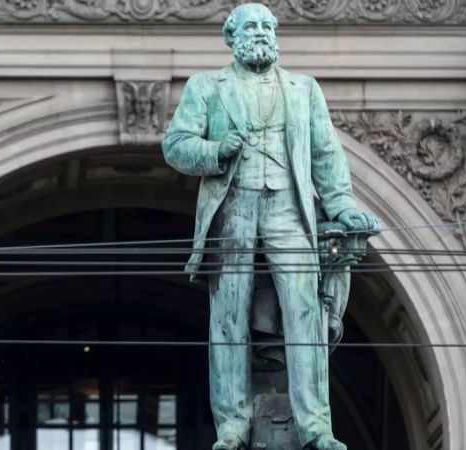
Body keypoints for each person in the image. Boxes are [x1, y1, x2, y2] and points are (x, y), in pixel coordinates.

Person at [161, 3, 379, 450]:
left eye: (266, 25)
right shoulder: (206, 87)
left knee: (304, 315)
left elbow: (325, 155)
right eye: (250, 26)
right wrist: (218, 150)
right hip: (232, 210)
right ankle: (233, 426)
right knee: (228, 320)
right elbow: (175, 146)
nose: (260, 33)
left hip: (287, 209)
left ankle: (316, 426)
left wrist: (340, 205)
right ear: (230, 36)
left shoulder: (304, 89)